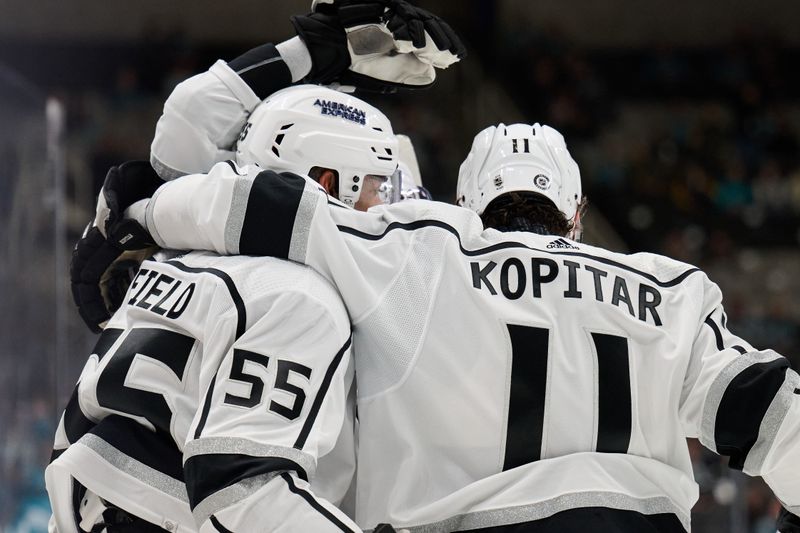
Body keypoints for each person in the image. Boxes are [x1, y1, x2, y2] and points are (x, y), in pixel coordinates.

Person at [92, 121, 800, 532]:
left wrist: (142, 210)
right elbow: (777, 413)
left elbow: (263, 205)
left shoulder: (422, 250)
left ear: (467, 200)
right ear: (577, 213)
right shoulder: (668, 291)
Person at [48, 85, 408, 533]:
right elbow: (240, 493)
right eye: (378, 185)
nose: (389, 206)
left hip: (87, 509)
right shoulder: (299, 296)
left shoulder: (173, 260)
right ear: (329, 182)